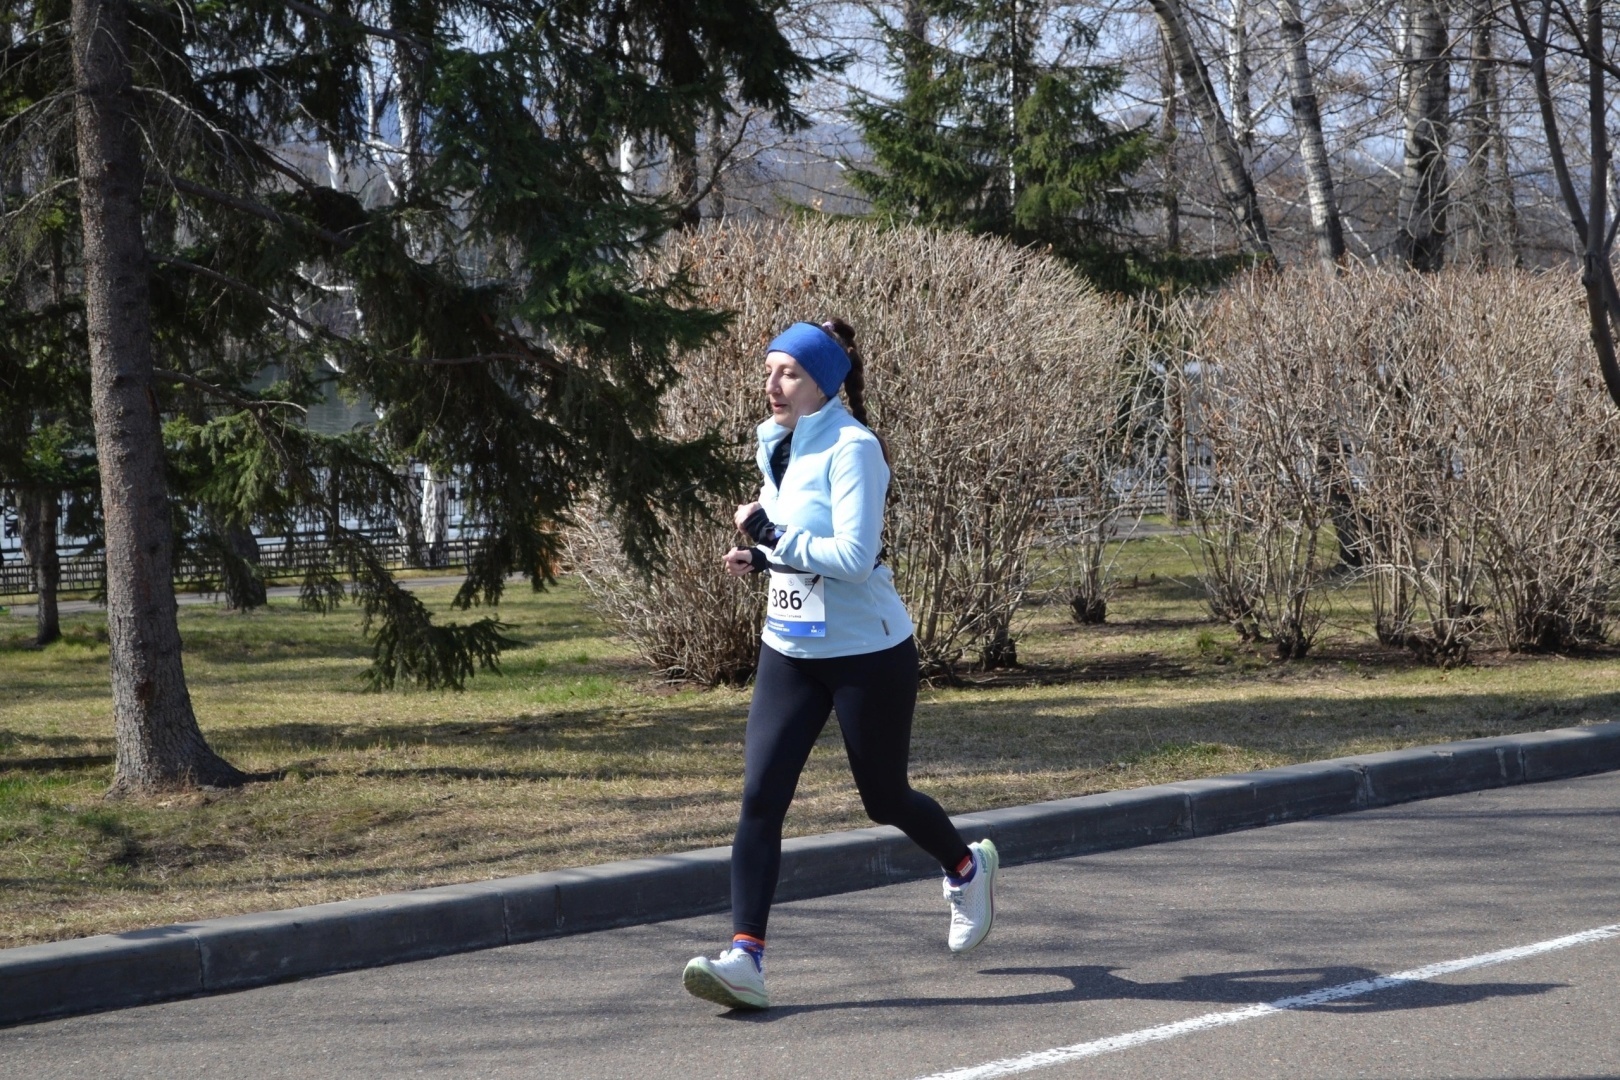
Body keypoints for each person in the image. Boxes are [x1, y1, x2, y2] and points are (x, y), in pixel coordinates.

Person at [681, 319, 999, 1011]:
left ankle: (966, 866)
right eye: (769, 371)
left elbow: (854, 558)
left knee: (884, 799)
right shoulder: (780, 442)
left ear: (824, 381)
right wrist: (761, 556)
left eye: (789, 373)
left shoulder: (854, 449)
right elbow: (800, 544)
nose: (773, 385)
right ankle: (746, 959)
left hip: (867, 653)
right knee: (761, 797)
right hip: (791, 649)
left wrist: (770, 533)